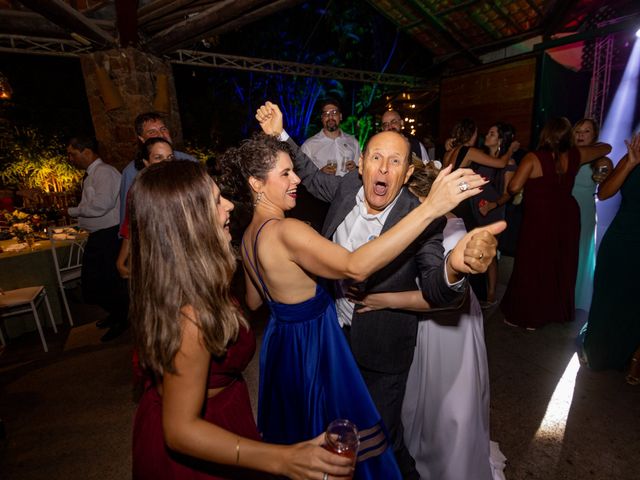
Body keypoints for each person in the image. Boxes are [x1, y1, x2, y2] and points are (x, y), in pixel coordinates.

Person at [255, 101, 502, 479]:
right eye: (376, 158)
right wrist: (280, 135)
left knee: (380, 438)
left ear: (405, 174)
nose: (383, 169)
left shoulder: (421, 218)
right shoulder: (345, 187)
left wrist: (455, 267)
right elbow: (307, 171)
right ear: (362, 162)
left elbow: (438, 290)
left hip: (384, 350)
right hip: (331, 338)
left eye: (395, 162)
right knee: (336, 431)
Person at [130, 161, 354, 480]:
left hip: (223, 417)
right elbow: (180, 431)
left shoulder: (187, 277)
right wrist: (284, 459)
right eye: (216, 200)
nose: (230, 205)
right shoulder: (189, 313)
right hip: (198, 443)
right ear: (187, 222)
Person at [348, 160, 506, 480]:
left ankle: (454, 466)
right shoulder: (438, 220)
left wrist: (382, 300)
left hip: (449, 325)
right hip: (430, 323)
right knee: (426, 400)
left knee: (450, 402)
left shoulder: (442, 228)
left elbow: (442, 301)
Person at [500, 117, 611, 329]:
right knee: (555, 265)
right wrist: (599, 153)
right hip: (567, 218)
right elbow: (607, 147)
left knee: (530, 266)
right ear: (568, 136)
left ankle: (526, 317)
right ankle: (551, 312)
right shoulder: (576, 154)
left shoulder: (534, 157)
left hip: (539, 219)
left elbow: (514, 187)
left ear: (546, 134)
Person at [583, 133, 640, 373]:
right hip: (621, 239)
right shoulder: (632, 157)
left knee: (634, 303)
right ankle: (598, 351)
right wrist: (630, 163)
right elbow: (604, 193)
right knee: (607, 296)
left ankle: (629, 357)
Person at [66, 136, 128, 342]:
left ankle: (122, 318)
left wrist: (73, 211)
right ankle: (117, 314)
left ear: (86, 152)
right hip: (100, 235)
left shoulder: (105, 173)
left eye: (72, 154)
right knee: (96, 283)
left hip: (108, 235)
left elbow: (102, 205)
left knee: (104, 282)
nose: (70, 159)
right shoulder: (92, 175)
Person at [119, 112, 197, 229]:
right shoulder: (131, 172)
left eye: (163, 129)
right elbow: (128, 221)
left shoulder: (189, 162)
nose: (161, 134)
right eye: (152, 132)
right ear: (141, 139)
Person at [115, 137, 175, 279]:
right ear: (147, 163)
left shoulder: (185, 187)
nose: (166, 163)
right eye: (158, 158)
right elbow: (131, 227)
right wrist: (121, 261)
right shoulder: (139, 191)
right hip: (154, 260)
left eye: (170, 157)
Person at [571, 118, 614, 313]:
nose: (580, 134)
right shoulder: (566, 154)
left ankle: (574, 298)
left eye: (586, 131)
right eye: (578, 131)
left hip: (584, 211)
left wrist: (604, 175)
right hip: (561, 209)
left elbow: (606, 191)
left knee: (578, 253)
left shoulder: (600, 160)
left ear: (594, 135)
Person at [301, 98, 360, 176]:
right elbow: (302, 174)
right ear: (322, 118)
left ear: (340, 116)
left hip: (349, 187)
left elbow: (361, 168)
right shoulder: (309, 145)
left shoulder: (353, 142)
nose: (330, 117)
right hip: (322, 188)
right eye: (326, 114)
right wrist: (320, 173)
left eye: (334, 113)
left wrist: (355, 168)